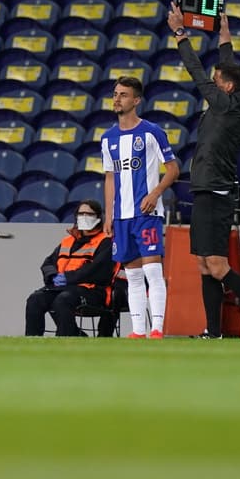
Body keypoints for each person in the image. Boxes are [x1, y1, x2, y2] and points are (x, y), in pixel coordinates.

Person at [166, 0, 240, 339]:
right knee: (203, 264)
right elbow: (225, 66)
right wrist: (224, 35)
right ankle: (213, 332)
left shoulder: (228, 104)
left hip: (217, 191)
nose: (212, 85)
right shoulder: (229, 97)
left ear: (226, 87)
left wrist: (181, 35)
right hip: (204, 189)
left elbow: (199, 76)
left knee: (217, 264)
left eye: (218, 82)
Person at [102, 75, 180, 339]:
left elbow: (173, 169)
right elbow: (110, 177)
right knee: (132, 275)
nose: (117, 99)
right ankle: (138, 332)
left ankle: (157, 328)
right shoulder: (108, 138)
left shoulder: (151, 132)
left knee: (152, 270)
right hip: (122, 216)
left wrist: (156, 193)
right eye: (115, 94)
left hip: (146, 214)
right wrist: (109, 214)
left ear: (136, 100)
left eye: (123, 95)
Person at [24, 199, 117, 337]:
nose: (84, 217)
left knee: (63, 300)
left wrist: (67, 278)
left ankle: (66, 341)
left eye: (89, 214)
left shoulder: (105, 241)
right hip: (63, 287)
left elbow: (97, 270)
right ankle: (32, 342)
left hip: (93, 290)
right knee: (35, 299)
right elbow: (48, 263)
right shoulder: (67, 241)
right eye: (81, 214)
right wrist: (53, 276)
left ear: (98, 218)